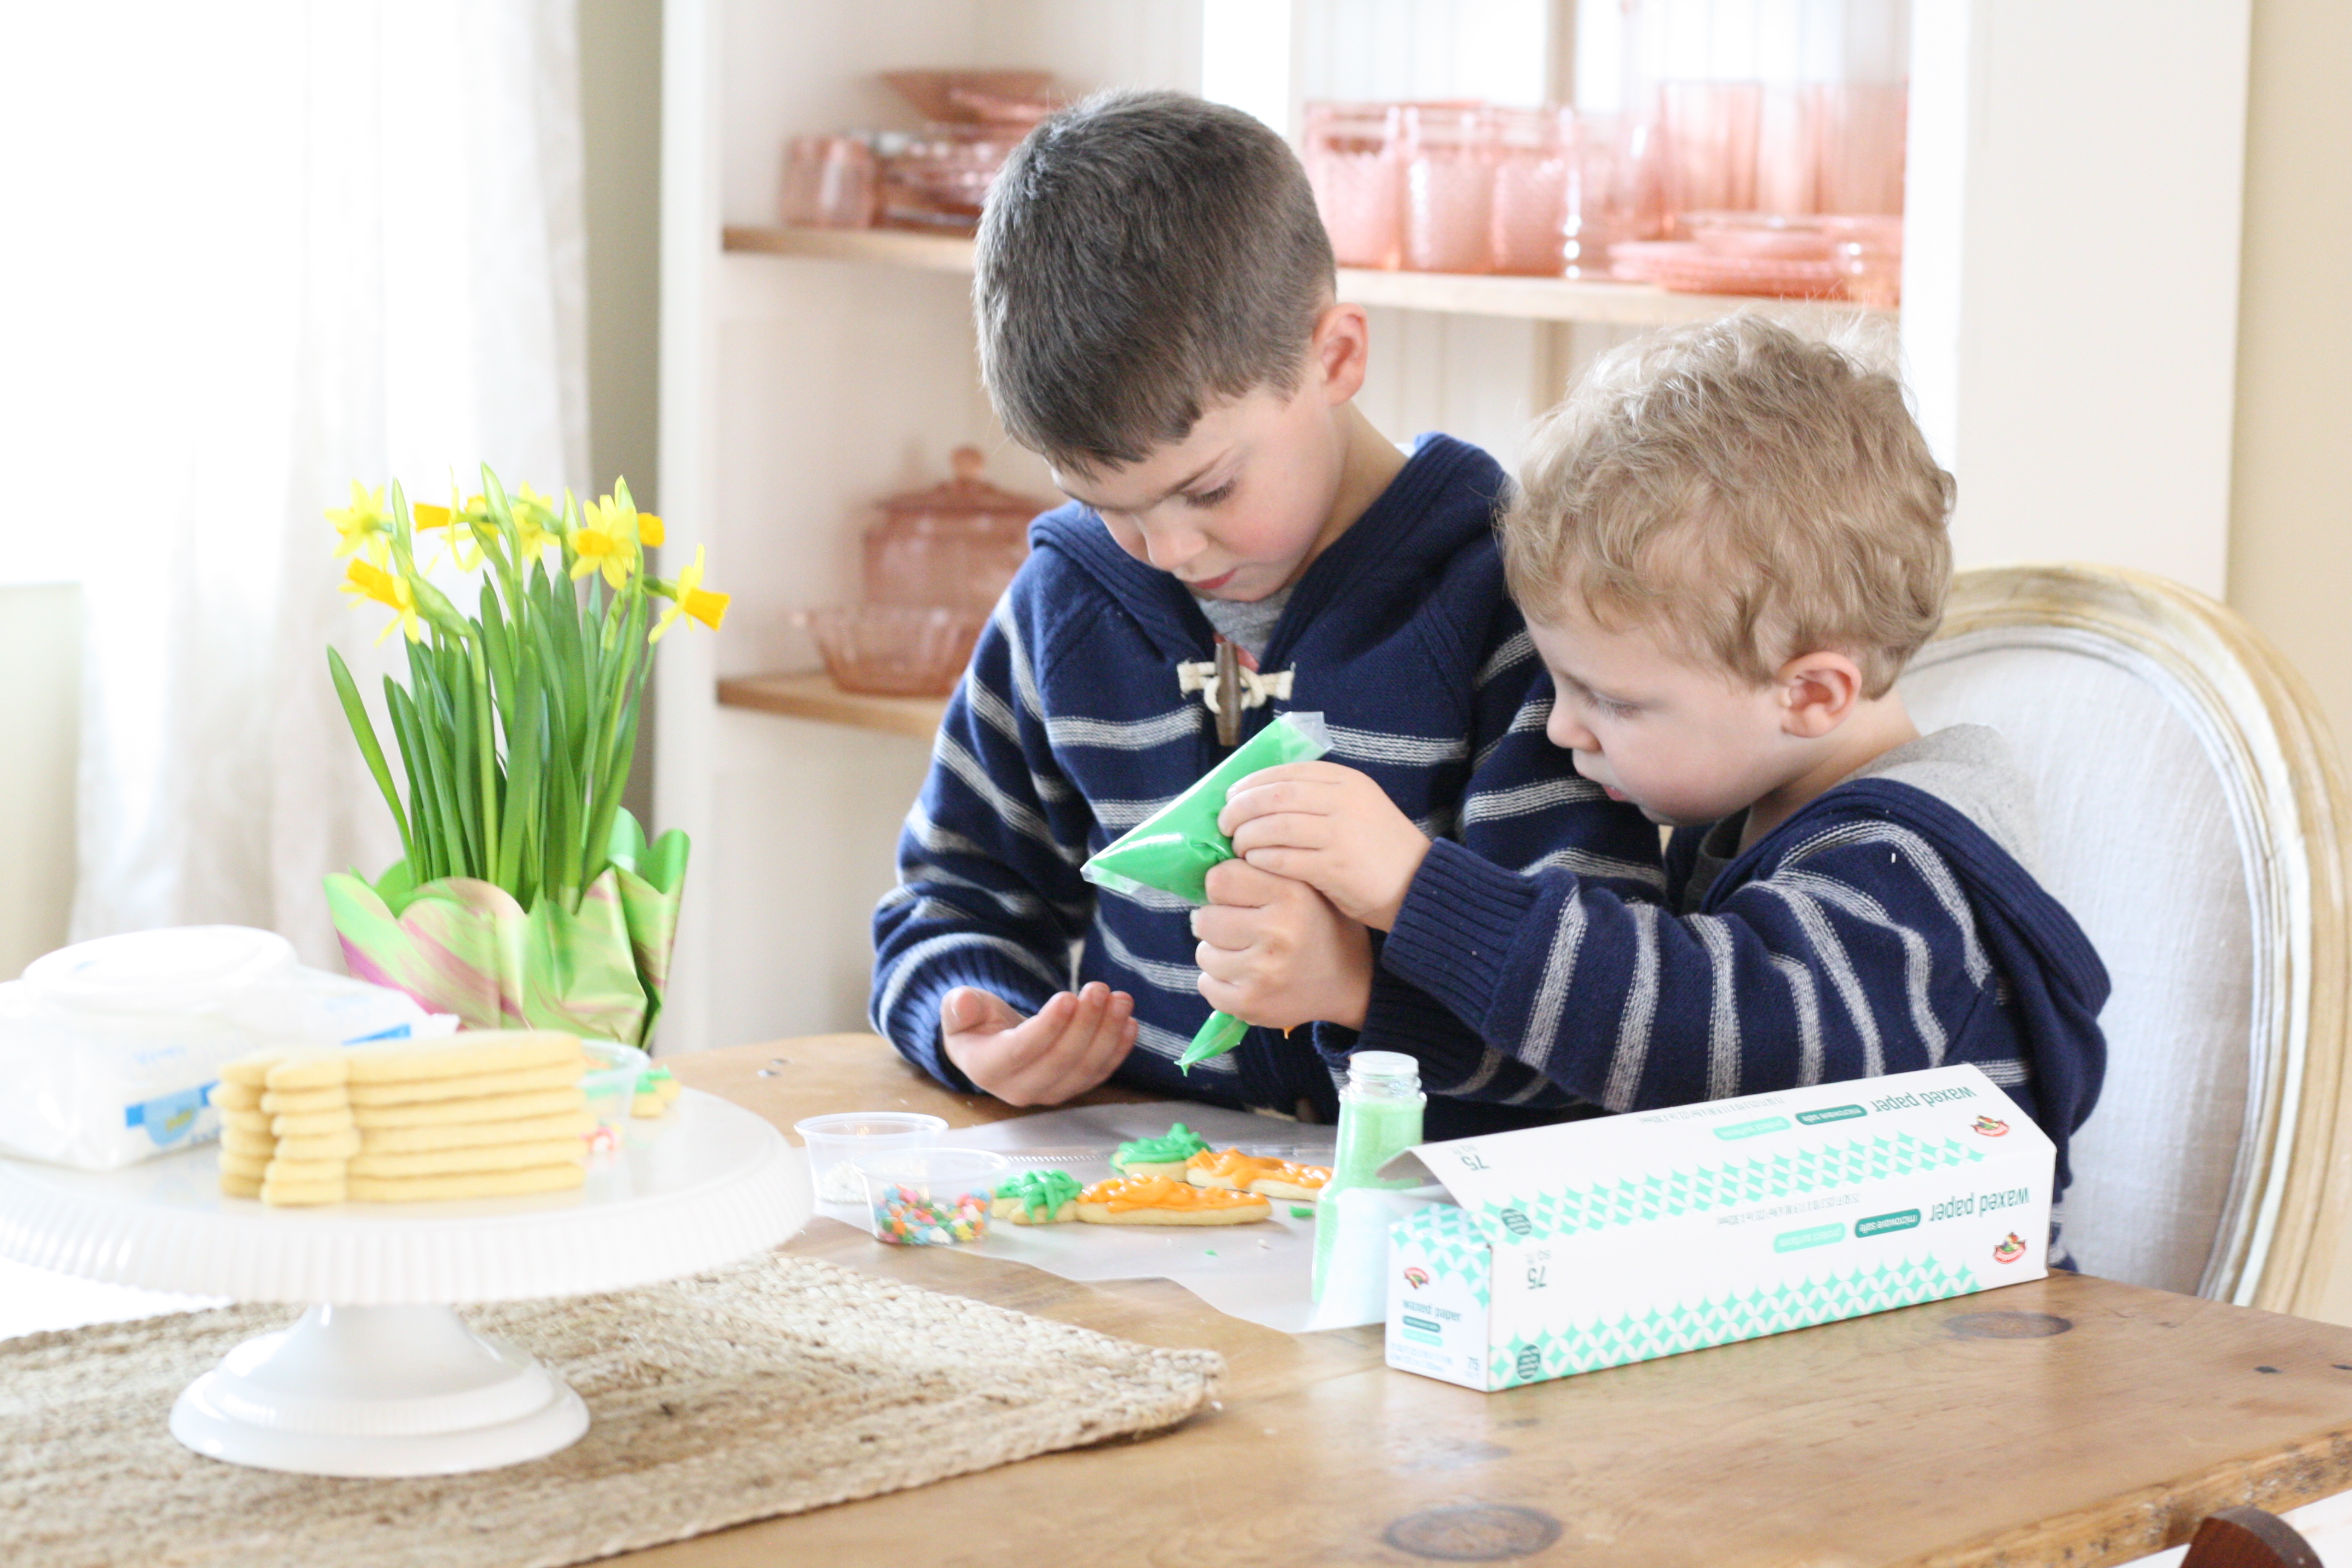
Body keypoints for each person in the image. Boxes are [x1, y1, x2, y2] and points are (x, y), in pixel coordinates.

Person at [869, 90, 1661, 1134]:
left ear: (1334, 357)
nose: (1169, 552)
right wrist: (969, 1016)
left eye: (1208, 491)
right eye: (1105, 505)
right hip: (1155, 1189)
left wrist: (1367, 993)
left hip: (1429, 1213)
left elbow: (1604, 1011)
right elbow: (954, 891)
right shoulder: (1066, 599)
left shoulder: (1517, 603)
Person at [1205, 315, 2109, 1206]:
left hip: (1941, 1344)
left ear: (1812, 695)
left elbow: (1711, 1040)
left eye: (1616, 702)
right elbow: (1615, 1062)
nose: (1565, 729)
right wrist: (1366, 994)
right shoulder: (1751, 814)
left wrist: (1419, 892)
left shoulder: (1907, 877)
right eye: (1563, 685)